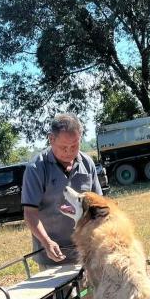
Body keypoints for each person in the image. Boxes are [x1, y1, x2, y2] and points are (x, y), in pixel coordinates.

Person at [21, 112, 103, 268]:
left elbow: (99, 206)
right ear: (51, 139)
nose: (69, 151)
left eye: (74, 146)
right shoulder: (36, 168)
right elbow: (30, 213)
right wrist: (46, 242)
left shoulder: (87, 163)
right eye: (63, 147)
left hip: (87, 251)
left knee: (90, 285)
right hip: (52, 256)